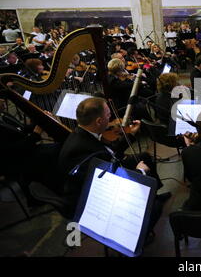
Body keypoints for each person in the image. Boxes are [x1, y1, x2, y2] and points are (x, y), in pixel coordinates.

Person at [57, 97, 170, 228]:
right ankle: (143, 232)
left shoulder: (85, 133)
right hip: (94, 193)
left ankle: (154, 195)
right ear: (99, 121)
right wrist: (140, 171)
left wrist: (131, 134)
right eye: (108, 115)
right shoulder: (81, 149)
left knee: (144, 156)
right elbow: (108, 180)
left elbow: (109, 152)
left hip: (103, 169)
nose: (112, 119)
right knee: (155, 208)